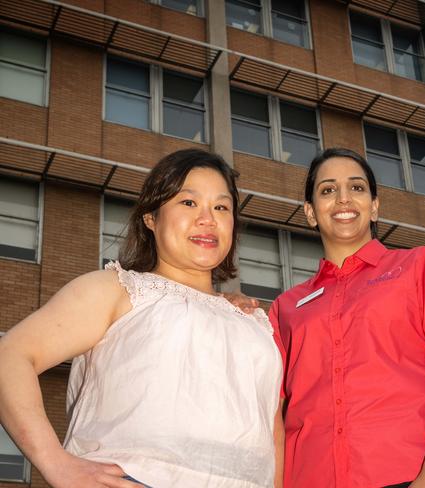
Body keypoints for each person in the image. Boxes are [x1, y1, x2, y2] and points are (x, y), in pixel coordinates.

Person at [0, 149, 283, 488]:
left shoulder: (253, 321)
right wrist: (55, 462)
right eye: (188, 203)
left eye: (221, 207)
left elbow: (271, 431)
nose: (208, 219)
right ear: (152, 217)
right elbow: (11, 356)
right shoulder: (118, 289)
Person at [269, 148, 425, 488]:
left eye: (356, 188)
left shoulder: (419, 266)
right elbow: (274, 415)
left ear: (374, 205)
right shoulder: (285, 307)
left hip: (414, 476)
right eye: (327, 190)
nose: (343, 199)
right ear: (310, 213)